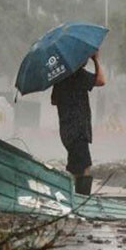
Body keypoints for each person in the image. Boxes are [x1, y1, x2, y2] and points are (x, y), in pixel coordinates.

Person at [51, 50, 105, 195]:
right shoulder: (78, 75)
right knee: (85, 165)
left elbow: (53, 100)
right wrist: (96, 61)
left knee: (75, 167)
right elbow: (101, 81)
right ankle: (83, 198)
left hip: (66, 131)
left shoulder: (61, 78)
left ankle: (73, 197)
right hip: (78, 130)